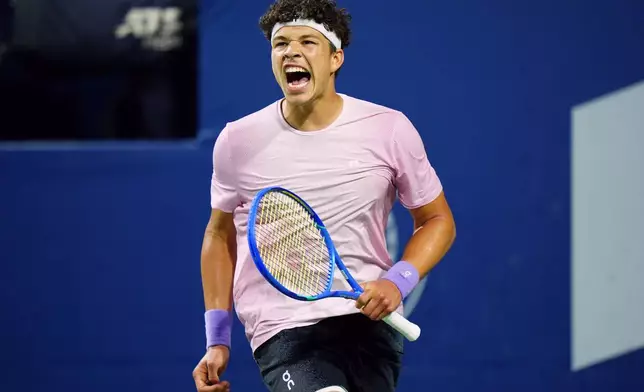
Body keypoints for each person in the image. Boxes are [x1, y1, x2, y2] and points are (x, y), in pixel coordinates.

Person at [192, 0, 456, 391]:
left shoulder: (388, 129)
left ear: (335, 59)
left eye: (307, 42)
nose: (291, 52)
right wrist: (217, 339)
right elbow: (218, 235)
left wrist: (396, 282)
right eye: (280, 44)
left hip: (370, 325)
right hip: (284, 328)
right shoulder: (237, 141)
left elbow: (437, 221)